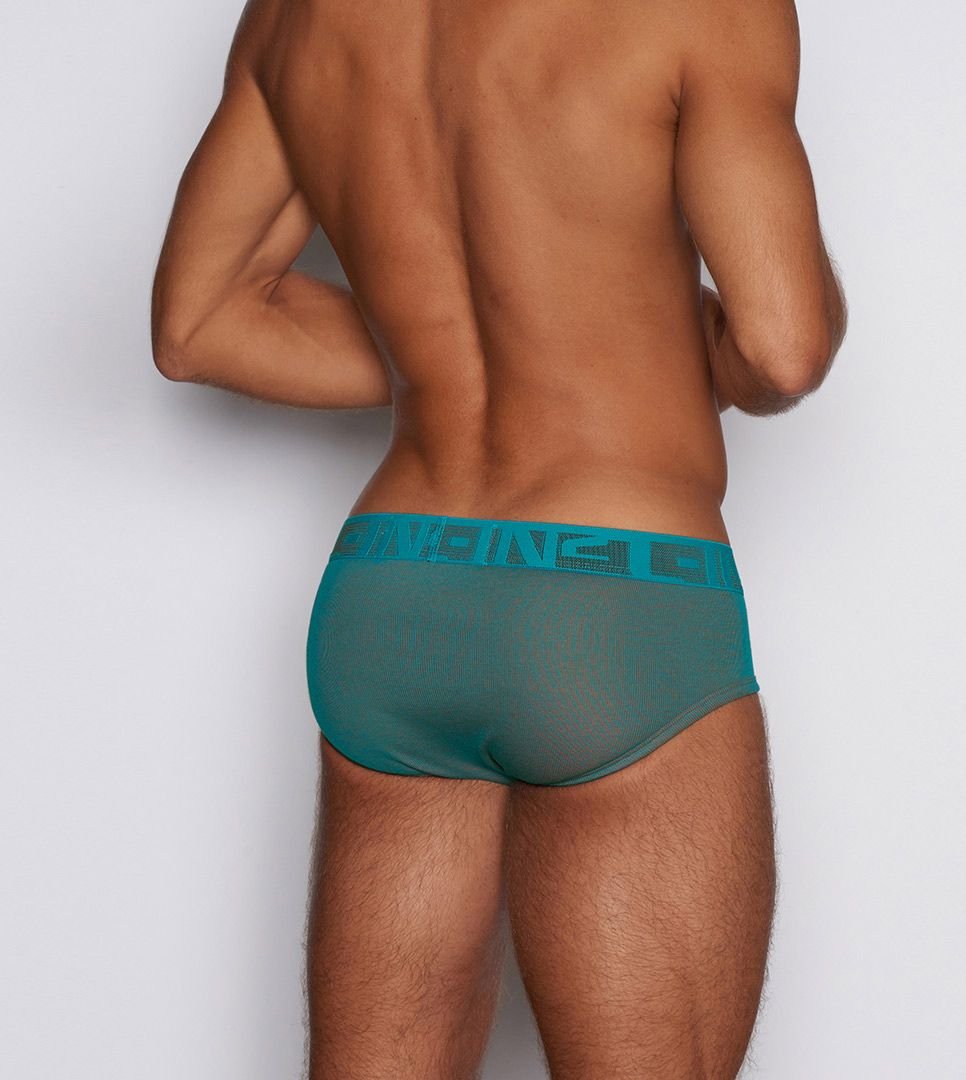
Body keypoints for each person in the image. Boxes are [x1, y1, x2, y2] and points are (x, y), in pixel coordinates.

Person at [151, 0, 847, 1075]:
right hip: (609, 606)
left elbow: (198, 326)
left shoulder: (297, 13)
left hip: (392, 597)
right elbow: (782, 345)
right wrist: (605, 350)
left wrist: (446, 358)